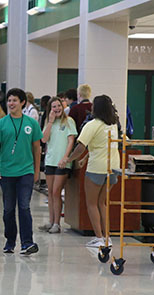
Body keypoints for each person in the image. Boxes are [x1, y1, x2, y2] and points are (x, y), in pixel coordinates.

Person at [0, 88, 42, 255]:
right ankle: (10, 240)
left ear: (22, 103)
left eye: (14, 100)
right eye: (9, 100)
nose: (11, 103)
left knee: (24, 206)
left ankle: (27, 242)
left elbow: (37, 148)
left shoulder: (31, 123)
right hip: (6, 172)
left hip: (26, 171)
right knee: (9, 209)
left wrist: (37, 171)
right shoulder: (1, 124)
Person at [66, 95, 120, 248]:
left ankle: (98, 238)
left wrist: (69, 159)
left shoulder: (92, 124)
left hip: (97, 168)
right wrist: (86, 158)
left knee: (91, 204)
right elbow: (102, 146)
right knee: (102, 203)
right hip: (113, 167)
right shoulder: (113, 125)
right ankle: (107, 237)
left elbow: (81, 146)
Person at [38, 97, 77, 234]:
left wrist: (66, 157)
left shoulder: (69, 121)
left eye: (59, 106)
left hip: (62, 162)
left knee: (56, 192)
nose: (57, 109)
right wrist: (49, 121)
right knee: (50, 193)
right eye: (54, 107)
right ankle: (51, 221)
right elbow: (43, 139)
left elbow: (71, 140)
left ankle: (57, 223)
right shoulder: (50, 122)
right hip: (50, 161)